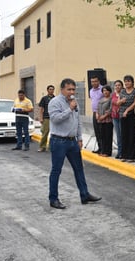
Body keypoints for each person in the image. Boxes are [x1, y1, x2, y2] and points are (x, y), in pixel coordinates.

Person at [47, 78, 101, 209]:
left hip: (72, 142)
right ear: (62, 89)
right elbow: (55, 119)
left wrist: (80, 138)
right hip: (58, 141)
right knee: (56, 170)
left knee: (79, 169)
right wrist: (69, 109)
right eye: (69, 89)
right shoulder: (55, 102)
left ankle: (84, 194)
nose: (71, 92)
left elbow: (78, 121)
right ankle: (53, 199)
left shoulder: (75, 103)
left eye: (73, 89)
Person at [118, 75, 135, 162]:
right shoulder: (122, 91)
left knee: (132, 135)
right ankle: (124, 155)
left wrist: (127, 110)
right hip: (122, 115)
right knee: (124, 135)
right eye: (125, 81)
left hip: (131, 115)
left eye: (128, 81)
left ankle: (132, 156)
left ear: (132, 82)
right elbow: (118, 102)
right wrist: (121, 101)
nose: (127, 83)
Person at [97, 85, 113, 157]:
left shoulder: (111, 99)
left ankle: (107, 152)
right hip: (101, 121)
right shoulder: (101, 100)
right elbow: (97, 108)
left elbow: (110, 109)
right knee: (102, 136)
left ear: (109, 91)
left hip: (107, 121)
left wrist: (104, 116)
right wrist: (97, 115)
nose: (105, 92)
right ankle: (102, 151)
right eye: (103, 90)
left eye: (106, 90)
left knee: (108, 136)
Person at [38, 85, 55, 152]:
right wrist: (41, 118)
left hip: (54, 118)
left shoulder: (55, 98)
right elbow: (41, 109)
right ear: (47, 90)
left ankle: (51, 147)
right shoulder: (44, 98)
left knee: (53, 133)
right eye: (50, 89)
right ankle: (42, 146)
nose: (51, 90)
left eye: (52, 89)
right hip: (46, 118)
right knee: (45, 133)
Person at [89, 75, 103, 153]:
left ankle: (104, 148)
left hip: (102, 113)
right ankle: (100, 148)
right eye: (92, 82)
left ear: (98, 81)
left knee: (102, 131)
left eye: (95, 81)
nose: (94, 83)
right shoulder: (91, 91)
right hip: (94, 112)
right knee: (97, 131)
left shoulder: (102, 89)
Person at [111, 80, 123, 158]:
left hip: (122, 116)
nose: (117, 86)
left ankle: (123, 152)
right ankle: (119, 151)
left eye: (119, 85)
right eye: (116, 85)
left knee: (123, 135)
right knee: (118, 135)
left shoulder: (124, 94)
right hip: (115, 117)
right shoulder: (113, 95)